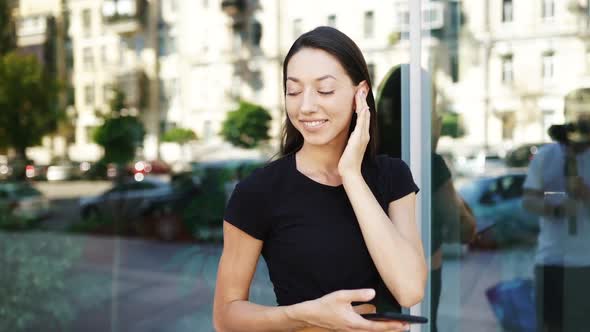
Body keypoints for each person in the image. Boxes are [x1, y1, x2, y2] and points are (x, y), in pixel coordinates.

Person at [213, 26, 426, 332]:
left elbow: (410, 288)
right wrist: (306, 314)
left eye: (324, 89)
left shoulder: (392, 177)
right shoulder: (258, 192)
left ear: (360, 93)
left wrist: (351, 174)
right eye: (294, 90)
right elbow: (225, 318)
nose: (306, 106)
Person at [376, 64, 475, 332]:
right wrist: (431, 146)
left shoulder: (370, 161)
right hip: (420, 283)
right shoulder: (427, 165)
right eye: (434, 106)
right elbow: (463, 227)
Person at [522, 107, 590, 332]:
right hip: (551, 259)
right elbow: (529, 200)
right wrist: (557, 207)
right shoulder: (546, 155)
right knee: (550, 325)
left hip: (586, 263)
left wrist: (585, 193)